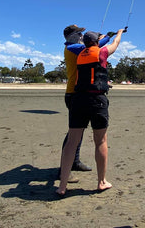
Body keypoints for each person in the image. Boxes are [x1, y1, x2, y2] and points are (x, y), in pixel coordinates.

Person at [56, 28, 125, 195]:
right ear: (96, 43)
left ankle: (62, 186)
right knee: (100, 141)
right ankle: (101, 181)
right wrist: (119, 33)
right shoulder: (101, 52)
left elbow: (77, 45)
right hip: (96, 100)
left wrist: (102, 38)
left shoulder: (77, 52)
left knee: (72, 141)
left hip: (78, 99)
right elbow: (114, 44)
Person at [60, 25, 111, 181]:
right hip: (74, 93)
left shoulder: (79, 48)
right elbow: (98, 46)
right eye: (79, 33)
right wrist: (106, 36)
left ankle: (74, 162)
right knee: (73, 134)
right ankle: (64, 171)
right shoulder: (72, 47)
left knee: (77, 133)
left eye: (83, 33)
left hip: (81, 93)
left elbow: (95, 46)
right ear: (70, 36)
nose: (81, 35)